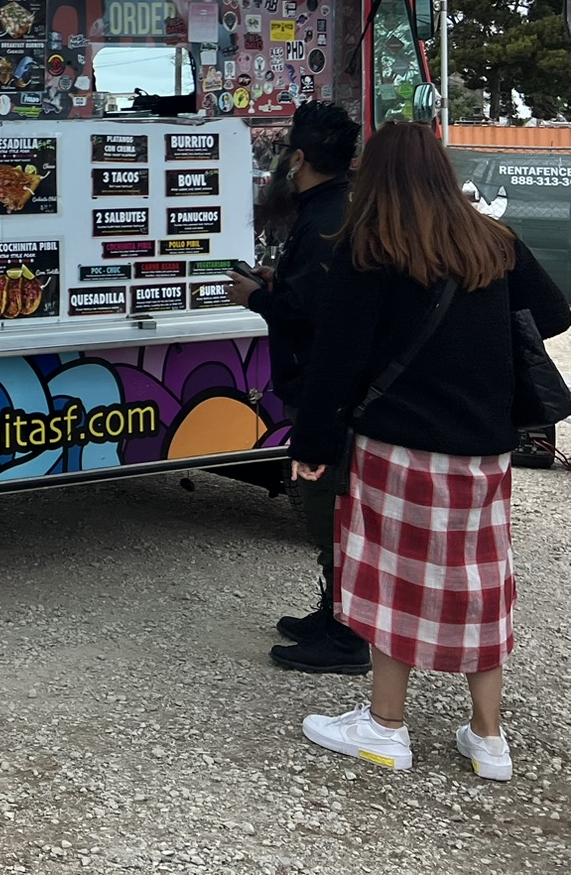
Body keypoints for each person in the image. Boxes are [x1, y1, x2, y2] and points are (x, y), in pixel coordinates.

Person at [290, 122, 569, 779]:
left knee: (391, 582)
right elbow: (555, 313)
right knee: (479, 585)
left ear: (375, 176)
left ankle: (386, 726)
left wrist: (313, 444)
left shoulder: (370, 248)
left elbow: (337, 360)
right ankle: (489, 739)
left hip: (399, 446)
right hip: (485, 450)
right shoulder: (493, 240)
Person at [228, 101, 363, 673]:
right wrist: (278, 282)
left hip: (321, 387)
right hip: (322, 384)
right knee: (325, 502)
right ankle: (333, 612)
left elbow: (312, 316)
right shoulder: (335, 208)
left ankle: (346, 635)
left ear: (300, 158)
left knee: (325, 504)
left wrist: (257, 298)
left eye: (287, 153)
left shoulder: (326, 218)